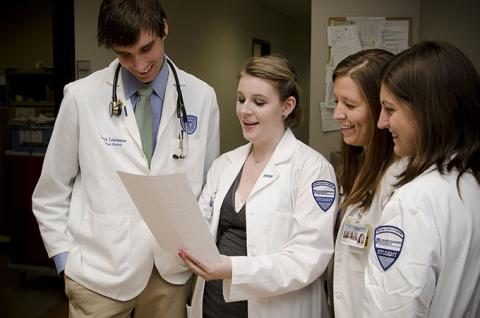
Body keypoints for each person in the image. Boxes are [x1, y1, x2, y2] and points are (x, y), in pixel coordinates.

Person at [31, 0, 220, 317]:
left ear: (164, 27)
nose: (140, 64)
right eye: (125, 54)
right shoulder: (81, 97)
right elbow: (51, 190)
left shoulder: (201, 96)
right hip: (99, 272)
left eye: (147, 48)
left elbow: (210, 189)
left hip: (170, 272)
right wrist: (64, 260)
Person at [177, 55, 338, 318]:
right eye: (241, 99)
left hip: (275, 308)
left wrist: (232, 269)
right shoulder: (225, 164)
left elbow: (308, 257)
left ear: (287, 106)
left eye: (259, 102)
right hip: (214, 305)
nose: (244, 110)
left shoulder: (312, 169)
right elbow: (202, 227)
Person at [364, 41, 480, 317]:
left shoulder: (412, 203)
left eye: (390, 109)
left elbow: (392, 310)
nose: (381, 123)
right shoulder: (468, 183)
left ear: (429, 111)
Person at [329, 49, 400, 318]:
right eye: (336, 101)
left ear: (379, 107)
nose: (337, 113)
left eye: (349, 104)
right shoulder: (356, 165)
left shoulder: (397, 181)